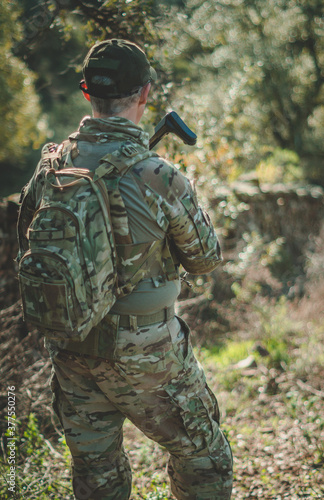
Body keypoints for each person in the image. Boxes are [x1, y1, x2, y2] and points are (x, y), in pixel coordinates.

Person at [17, 39, 233, 500]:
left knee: (97, 472)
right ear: (145, 94)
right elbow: (205, 258)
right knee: (205, 457)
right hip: (146, 351)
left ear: (85, 92)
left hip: (71, 348)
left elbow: (28, 247)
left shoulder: (51, 166)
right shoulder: (159, 174)